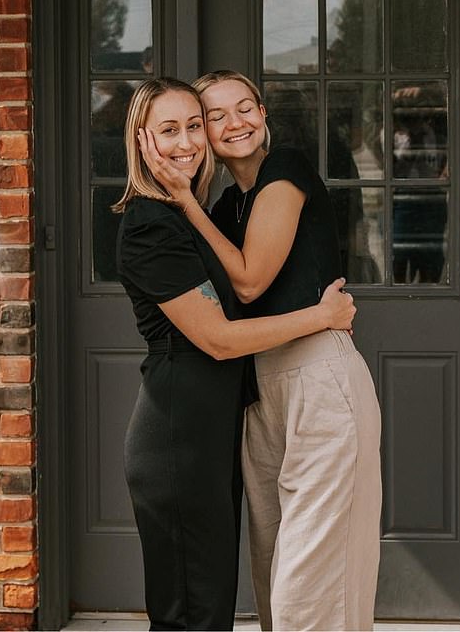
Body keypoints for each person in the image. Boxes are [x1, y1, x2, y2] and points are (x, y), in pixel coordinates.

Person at [139, 70, 382, 631]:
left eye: (245, 107)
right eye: (215, 116)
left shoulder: (286, 169)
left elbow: (249, 282)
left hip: (319, 377)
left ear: (264, 114)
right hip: (257, 390)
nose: (235, 123)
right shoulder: (226, 208)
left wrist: (183, 200)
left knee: (313, 580)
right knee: (274, 571)